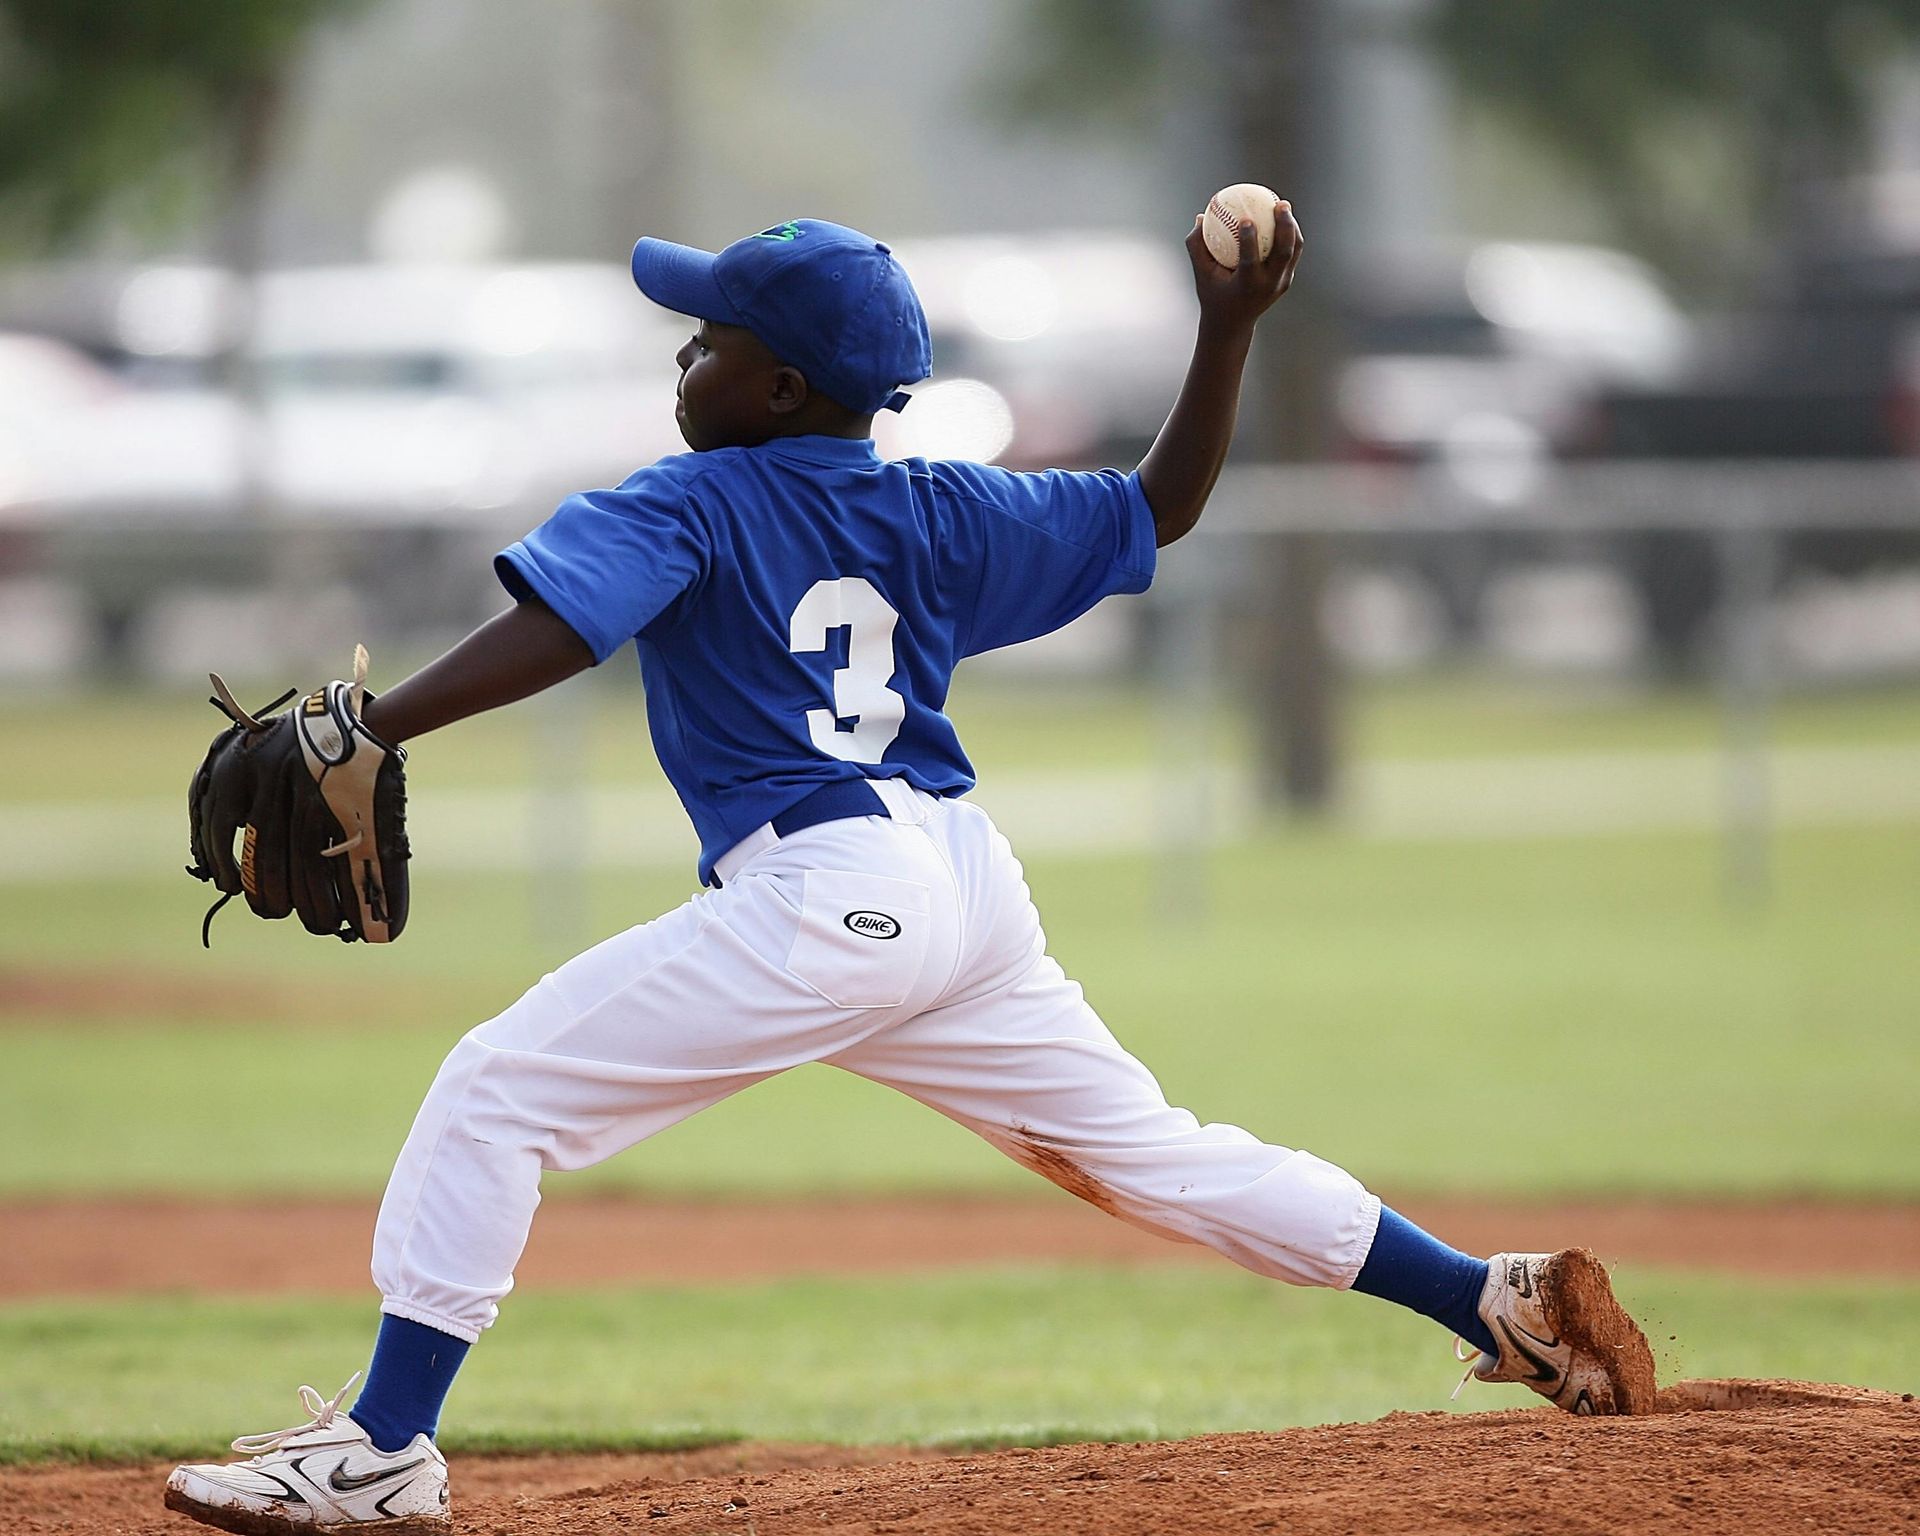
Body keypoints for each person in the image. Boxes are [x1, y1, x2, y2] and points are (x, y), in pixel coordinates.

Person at [165, 207, 1652, 1535]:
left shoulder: (694, 500)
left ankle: (382, 1450)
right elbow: (1162, 505)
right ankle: (1493, 1297)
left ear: (783, 390)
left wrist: (371, 718)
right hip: (961, 888)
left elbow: (566, 627)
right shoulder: (940, 505)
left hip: (827, 897)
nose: (684, 359)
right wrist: (1225, 328)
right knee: (1151, 1151)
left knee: (498, 1090)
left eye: (711, 342)